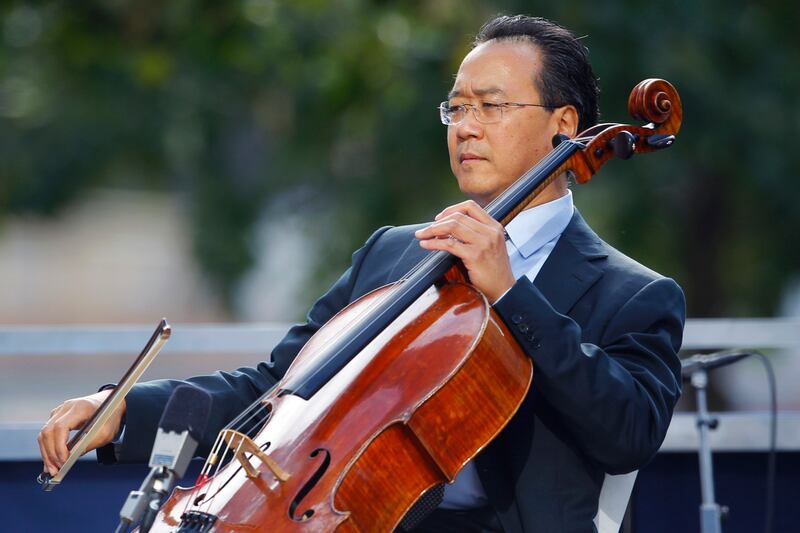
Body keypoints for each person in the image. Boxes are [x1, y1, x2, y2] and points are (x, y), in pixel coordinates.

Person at [38, 14, 684, 533]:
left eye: (490, 106)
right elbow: (278, 387)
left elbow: (625, 433)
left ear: (564, 126)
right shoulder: (397, 252)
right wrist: (120, 409)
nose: (465, 127)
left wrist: (511, 291)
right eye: (455, 109)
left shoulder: (635, 293)